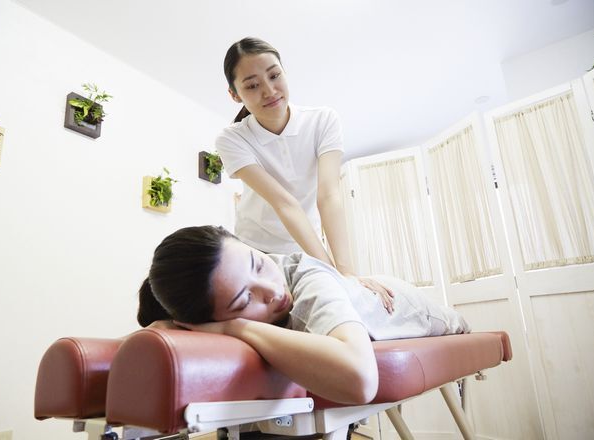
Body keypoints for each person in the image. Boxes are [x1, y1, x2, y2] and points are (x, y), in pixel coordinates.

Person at [137, 226, 470, 405]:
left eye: (259, 263)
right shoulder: (203, 304)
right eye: (245, 299)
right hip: (352, 292)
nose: (272, 290)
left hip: (410, 306)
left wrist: (236, 326)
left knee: (455, 321)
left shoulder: (304, 277)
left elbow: (360, 380)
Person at [216, 37, 394, 310]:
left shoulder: (322, 120)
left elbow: (329, 195)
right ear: (235, 94)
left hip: (306, 248)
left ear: (284, 72)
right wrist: (333, 273)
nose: (269, 91)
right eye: (252, 85)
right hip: (255, 252)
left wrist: (345, 273)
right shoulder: (232, 139)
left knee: (330, 306)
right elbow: (284, 202)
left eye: (274, 75)